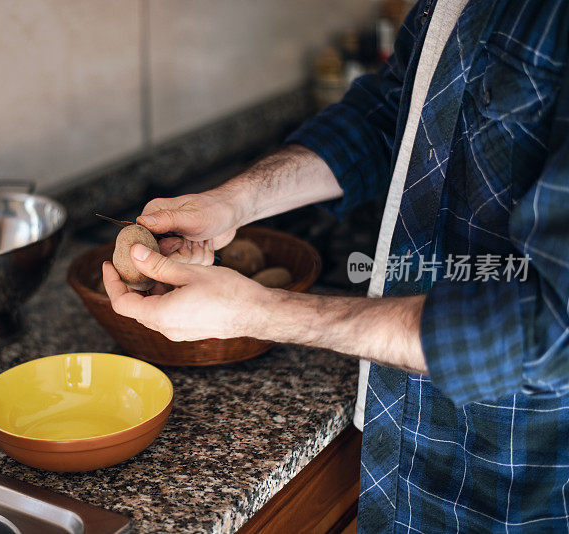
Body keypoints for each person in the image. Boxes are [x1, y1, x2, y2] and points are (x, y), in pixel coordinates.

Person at [103, 0, 569, 532]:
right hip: (401, 445)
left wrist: (258, 312)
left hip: (514, 484)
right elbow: (392, 112)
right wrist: (236, 200)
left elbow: (550, 324)